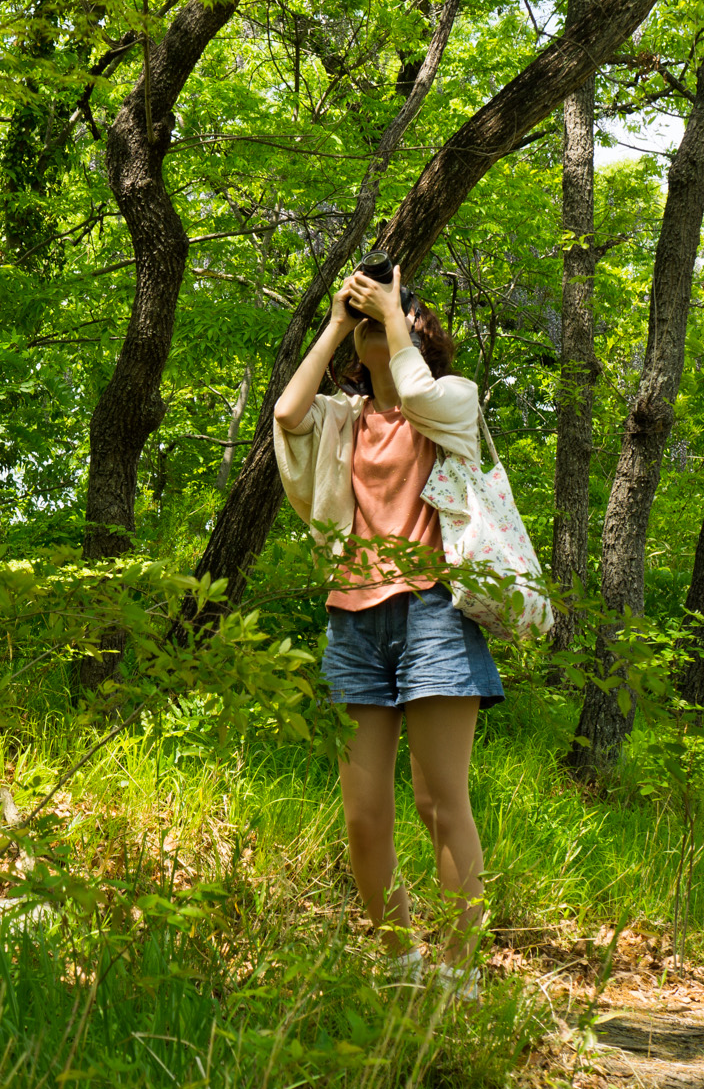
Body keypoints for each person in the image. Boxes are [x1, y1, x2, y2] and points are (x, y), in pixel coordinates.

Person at [271, 265, 503, 988]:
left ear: (420, 333)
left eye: (397, 315)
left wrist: (395, 314)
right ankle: (401, 961)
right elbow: (287, 414)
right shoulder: (345, 419)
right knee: (364, 816)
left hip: (434, 614)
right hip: (353, 622)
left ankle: (460, 974)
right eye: (371, 318)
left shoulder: (452, 401)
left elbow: (424, 395)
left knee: (438, 802)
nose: (380, 320)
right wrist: (338, 322)